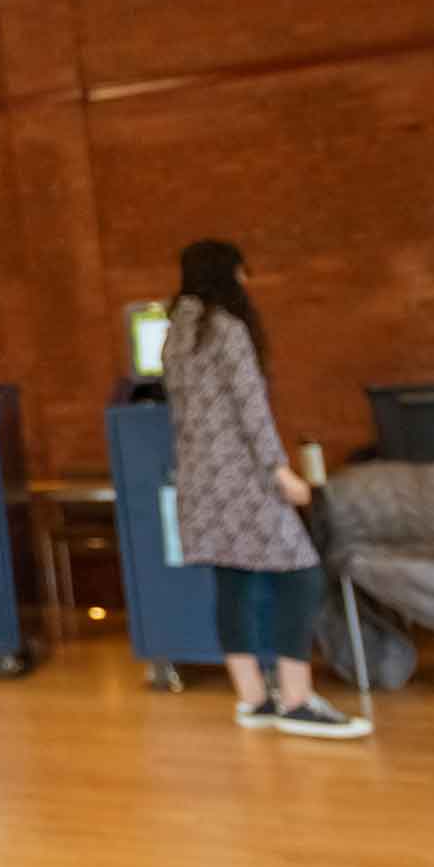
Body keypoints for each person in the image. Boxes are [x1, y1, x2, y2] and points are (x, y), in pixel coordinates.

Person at [163, 240, 371, 740]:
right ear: (228, 274)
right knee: (300, 575)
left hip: (198, 482)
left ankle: (253, 698)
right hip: (242, 478)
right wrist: (280, 473)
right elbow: (250, 411)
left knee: (234, 582)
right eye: (243, 272)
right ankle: (296, 700)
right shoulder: (228, 330)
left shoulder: (175, 335)